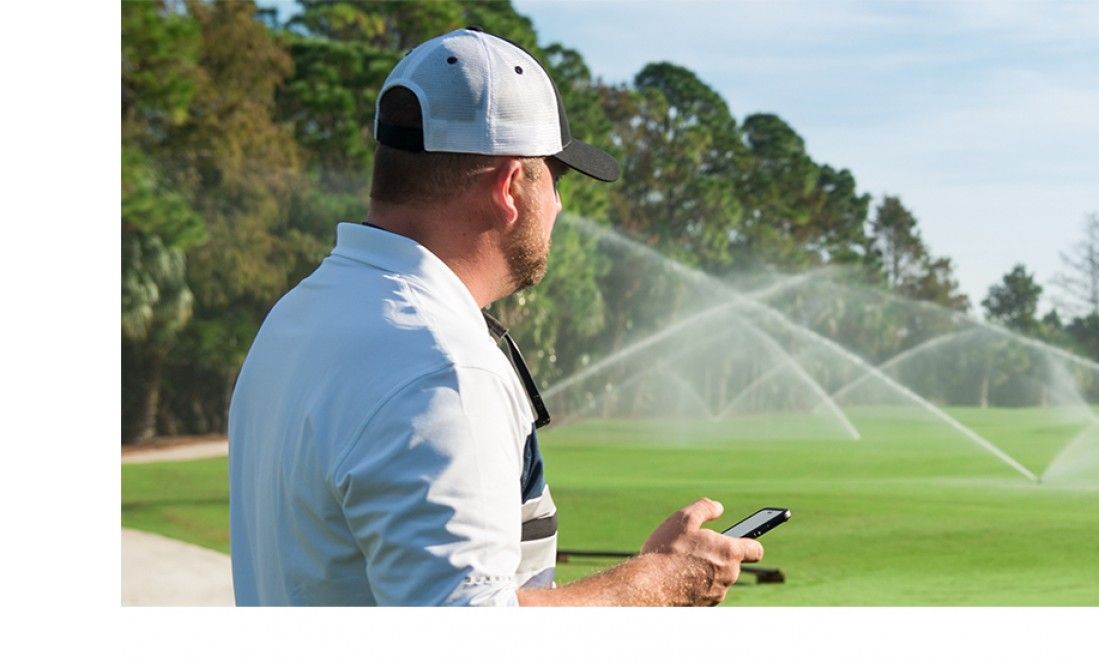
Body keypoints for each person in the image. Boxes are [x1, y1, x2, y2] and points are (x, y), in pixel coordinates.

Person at [227, 27, 763, 606]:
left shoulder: (297, 316)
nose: (558, 205)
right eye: (555, 180)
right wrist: (656, 584)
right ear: (511, 186)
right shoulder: (443, 370)